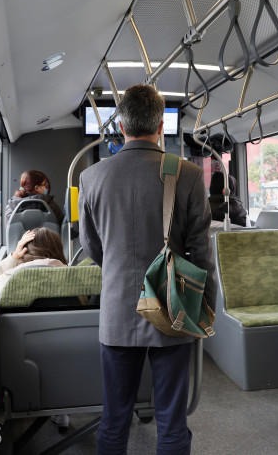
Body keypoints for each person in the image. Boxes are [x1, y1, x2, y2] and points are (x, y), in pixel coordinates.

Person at [78, 84, 215, 455]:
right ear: (161, 127)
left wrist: (119, 267)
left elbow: (91, 246)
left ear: (121, 126)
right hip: (173, 307)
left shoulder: (92, 177)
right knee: (172, 420)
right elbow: (202, 253)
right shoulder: (188, 174)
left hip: (117, 312)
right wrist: (205, 309)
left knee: (114, 419)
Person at [0, 227, 67, 293]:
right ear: (58, 250)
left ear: (25, 251)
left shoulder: (12, 277)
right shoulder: (69, 275)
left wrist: (14, 256)